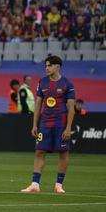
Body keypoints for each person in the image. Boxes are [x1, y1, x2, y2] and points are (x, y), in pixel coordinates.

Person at [21, 54, 76, 194]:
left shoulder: (67, 84)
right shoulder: (42, 82)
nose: (47, 68)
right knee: (39, 151)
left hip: (61, 123)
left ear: (58, 66)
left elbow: (71, 108)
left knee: (63, 152)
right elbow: (38, 105)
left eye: (49, 65)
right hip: (45, 123)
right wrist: (35, 125)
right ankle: (35, 184)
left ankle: (58, 185)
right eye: (46, 65)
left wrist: (68, 128)